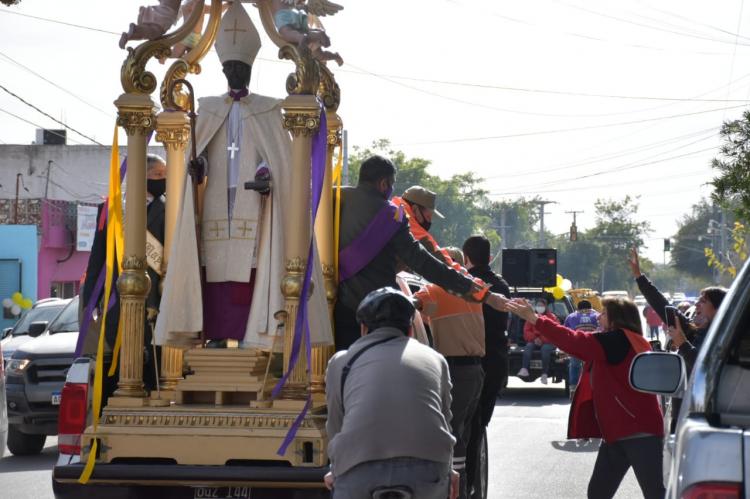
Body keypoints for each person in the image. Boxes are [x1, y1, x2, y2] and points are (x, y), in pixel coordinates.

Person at [156, 1, 332, 350]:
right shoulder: (206, 108)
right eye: (231, 68)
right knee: (216, 270)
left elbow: (277, 158)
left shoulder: (269, 109)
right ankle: (216, 336)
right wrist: (198, 169)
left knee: (251, 270)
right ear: (224, 70)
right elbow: (200, 153)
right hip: (218, 203)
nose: (236, 74)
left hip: (256, 206)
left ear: (250, 70)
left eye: (241, 69)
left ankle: (257, 335)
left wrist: (267, 176)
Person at [334, 155, 509, 351]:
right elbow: (430, 265)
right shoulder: (392, 217)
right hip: (377, 316)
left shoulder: (332, 198)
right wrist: (483, 295)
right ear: (384, 184)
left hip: (333, 310)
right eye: (391, 184)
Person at [506, 296, 665, 499]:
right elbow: (583, 348)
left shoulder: (617, 339)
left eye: (604, 313)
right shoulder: (625, 339)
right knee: (599, 493)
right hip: (621, 431)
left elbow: (575, 341)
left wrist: (536, 319)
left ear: (617, 318)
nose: (599, 316)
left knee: (654, 493)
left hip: (638, 432)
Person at [324, 287, 459, 499]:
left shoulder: (342, 361)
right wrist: (449, 470)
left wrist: (336, 467)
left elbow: (335, 423)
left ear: (363, 328)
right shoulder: (435, 359)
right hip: (427, 470)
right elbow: (444, 419)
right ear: (410, 330)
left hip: (359, 469)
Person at [80, 154, 167, 400]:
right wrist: (90, 300)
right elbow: (98, 254)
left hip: (156, 298)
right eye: (158, 175)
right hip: (118, 296)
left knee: (154, 357)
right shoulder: (113, 209)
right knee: (118, 356)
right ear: (142, 176)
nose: (164, 180)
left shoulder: (169, 208)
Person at [413, 247, 484, 499]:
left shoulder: (437, 290)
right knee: (461, 435)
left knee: (450, 435)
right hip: (475, 371)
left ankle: (453, 492)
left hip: (455, 370)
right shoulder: (473, 286)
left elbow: (411, 304)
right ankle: (462, 491)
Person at [461, 235, 511, 498]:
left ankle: (466, 482)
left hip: (467, 363)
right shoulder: (501, 285)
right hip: (494, 363)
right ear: (490, 257)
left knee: (466, 427)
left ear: (466, 257)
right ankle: (472, 485)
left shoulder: (463, 284)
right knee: (478, 428)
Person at [518, 297, 559, 384]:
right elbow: (526, 331)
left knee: (545, 350)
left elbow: (555, 331)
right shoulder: (531, 316)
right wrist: (534, 338)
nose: (540, 307)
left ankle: (544, 374)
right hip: (534, 340)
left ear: (546, 306)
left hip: (548, 342)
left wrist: (542, 339)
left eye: (542, 305)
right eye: (538, 305)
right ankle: (524, 368)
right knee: (528, 347)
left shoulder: (552, 317)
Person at [563, 300, 599, 394]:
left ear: (578, 308)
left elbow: (566, 331)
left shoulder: (571, 316)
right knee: (595, 367)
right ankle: (595, 387)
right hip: (593, 345)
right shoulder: (597, 316)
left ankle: (573, 389)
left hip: (577, 346)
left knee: (575, 365)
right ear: (591, 307)